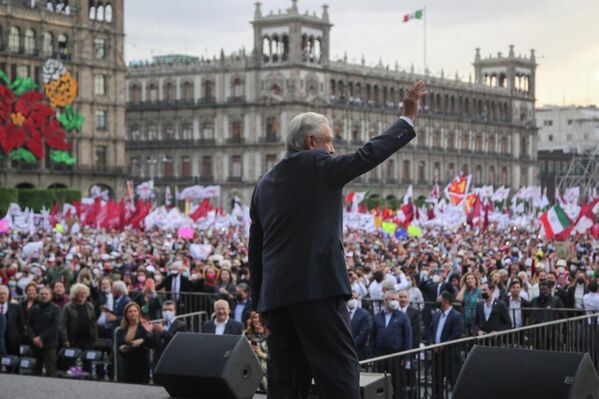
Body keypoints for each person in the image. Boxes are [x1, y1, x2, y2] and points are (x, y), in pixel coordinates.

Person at [249, 81, 425, 399]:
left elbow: (256, 249)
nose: (332, 150)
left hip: (276, 299)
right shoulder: (318, 165)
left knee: (286, 380)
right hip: (317, 291)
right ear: (310, 141)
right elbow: (366, 155)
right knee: (339, 373)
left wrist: (258, 301)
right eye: (329, 142)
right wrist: (406, 121)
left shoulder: (264, 183)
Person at [428, 291, 463, 399]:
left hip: (450, 354)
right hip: (436, 353)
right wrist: (432, 344)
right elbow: (430, 330)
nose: (437, 302)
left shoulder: (456, 316)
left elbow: (457, 334)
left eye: (439, 299)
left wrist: (443, 345)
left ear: (445, 301)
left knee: (453, 381)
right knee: (436, 380)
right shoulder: (437, 314)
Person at [27, 287, 61, 377]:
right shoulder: (34, 308)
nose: (44, 296)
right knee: (35, 370)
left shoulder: (56, 309)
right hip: (34, 344)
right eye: (42, 294)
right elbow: (29, 325)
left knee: (51, 370)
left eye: (46, 294)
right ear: (38, 295)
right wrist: (34, 338)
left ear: (51, 296)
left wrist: (41, 338)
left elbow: (55, 327)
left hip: (50, 344)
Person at [116, 301, 153, 384]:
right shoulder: (122, 329)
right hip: (126, 364)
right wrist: (120, 348)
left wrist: (143, 340)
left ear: (138, 312)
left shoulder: (144, 326)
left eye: (135, 311)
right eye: (130, 311)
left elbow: (151, 342)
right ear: (126, 314)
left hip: (141, 363)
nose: (133, 313)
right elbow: (117, 344)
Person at [149, 300, 187, 368]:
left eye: (170, 310)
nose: (167, 312)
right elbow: (153, 343)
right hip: (158, 361)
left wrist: (163, 331)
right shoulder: (159, 324)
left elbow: (177, 340)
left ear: (175, 311)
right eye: (165, 310)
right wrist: (149, 333)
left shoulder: (181, 325)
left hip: (172, 360)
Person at [61, 283, 98, 350]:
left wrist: (95, 339)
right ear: (75, 294)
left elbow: (93, 324)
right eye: (80, 293)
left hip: (88, 340)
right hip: (73, 340)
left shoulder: (90, 306)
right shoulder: (67, 307)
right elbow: (63, 325)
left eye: (84, 293)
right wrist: (65, 340)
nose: (83, 295)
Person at [244, 311, 268, 391]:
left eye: (259, 317)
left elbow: (276, 358)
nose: (257, 320)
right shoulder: (246, 335)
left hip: (267, 373)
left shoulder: (270, 335)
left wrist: (261, 354)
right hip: (250, 371)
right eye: (254, 317)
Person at [0, 285, 25, 356]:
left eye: (4, 293)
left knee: (13, 365)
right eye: (0, 293)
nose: (2, 296)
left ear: (8, 295)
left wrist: (20, 340)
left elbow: (21, 325)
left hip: (13, 343)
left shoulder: (16, 307)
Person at [347, 293, 371, 360]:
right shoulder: (342, 312)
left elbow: (363, 334)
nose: (353, 300)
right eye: (351, 298)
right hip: (344, 349)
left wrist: (351, 344)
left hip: (358, 351)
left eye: (356, 298)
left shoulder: (364, 314)